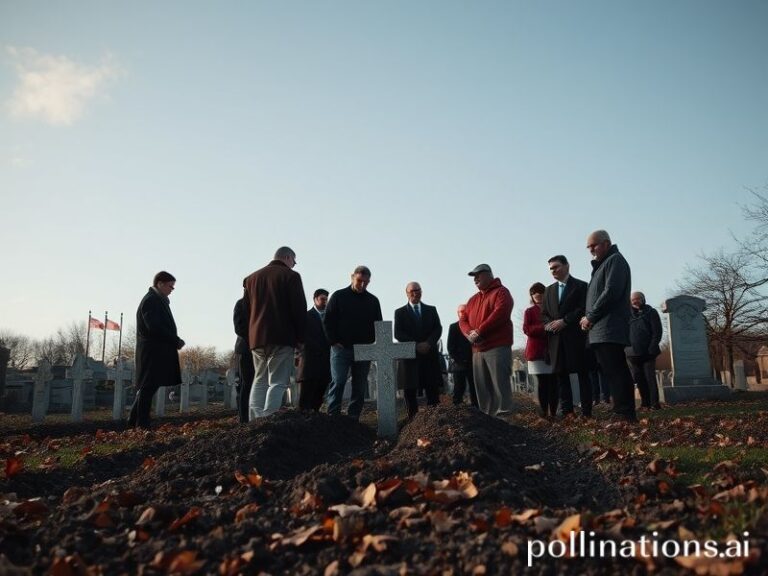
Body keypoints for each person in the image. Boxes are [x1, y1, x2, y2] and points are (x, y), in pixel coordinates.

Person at [579, 230, 637, 423]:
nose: (591, 251)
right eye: (589, 247)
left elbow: (611, 292)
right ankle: (620, 411)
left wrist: (591, 317)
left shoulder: (615, 261)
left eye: (593, 246)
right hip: (600, 329)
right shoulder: (603, 264)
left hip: (609, 327)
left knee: (616, 370)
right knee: (611, 371)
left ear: (606, 243)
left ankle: (624, 413)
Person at [243, 246, 307, 420]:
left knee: (260, 379)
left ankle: (255, 419)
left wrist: (250, 334)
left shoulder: (251, 279)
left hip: (256, 338)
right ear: (287, 257)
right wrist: (301, 338)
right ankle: (269, 417)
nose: (294, 264)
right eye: (294, 260)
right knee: (278, 381)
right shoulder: (291, 276)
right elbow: (298, 310)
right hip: (281, 336)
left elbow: (247, 311)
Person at [324, 265, 383, 420]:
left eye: (366, 282)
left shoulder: (373, 301)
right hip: (341, 348)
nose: (362, 284)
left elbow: (379, 324)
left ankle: (353, 417)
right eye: (359, 281)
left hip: (364, 349)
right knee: (339, 381)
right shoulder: (338, 296)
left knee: (360, 385)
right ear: (352, 277)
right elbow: (328, 320)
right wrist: (333, 341)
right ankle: (333, 415)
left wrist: (373, 343)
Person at [129, 271, 185, 429]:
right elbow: (154, 326)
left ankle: (134, 421)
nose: (172, 290)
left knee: (149, 386)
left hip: (157, 351)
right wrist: (175, 340)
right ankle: (142, 424)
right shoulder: (151, 300)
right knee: (147, 387)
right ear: (160, 283)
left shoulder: (158, 300)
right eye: (170, 286)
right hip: (151, 352)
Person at [458, 264, 514, 416]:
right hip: (477, 350)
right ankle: (488, 422)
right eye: (473, 276)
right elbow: (462, 320)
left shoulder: (501, 292)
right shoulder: (472, 300)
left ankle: (505, 422)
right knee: (483, 389)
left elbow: (500, 313)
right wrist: (469, 333)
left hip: (497, 347)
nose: (475, 279)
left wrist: (480, 331)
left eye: (478, 275)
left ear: (489, 274)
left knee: (500, 386)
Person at [542, 255, 592, 418]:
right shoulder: (548, 291)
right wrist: (550, 324)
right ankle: (567, 412)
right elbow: (544, 314)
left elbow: (583, 308)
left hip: (576, 338)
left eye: (556, 267)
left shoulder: (581, 286)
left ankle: (586, 412)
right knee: (561, 377)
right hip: (556, 340)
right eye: (551, 268)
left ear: (567, 266)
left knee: (583, 374)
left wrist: (565, 321)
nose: (553, 271)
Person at [394, 282, 443, 418]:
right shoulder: (400, 312)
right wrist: (416, 345)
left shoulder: (431, 310)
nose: (416, 293)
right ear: (407, 293)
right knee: (409, 392)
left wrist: (428, 343)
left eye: (418, 290)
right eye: (412, 291)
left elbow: (437, 328)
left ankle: (434, 420)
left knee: (432, 390)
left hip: (429, 355)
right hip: (410, 357)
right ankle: (412, 421)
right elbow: (398, 333)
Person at [523, 282, 558, 419]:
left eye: (540, 292)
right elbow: (527, 329)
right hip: (536, 351)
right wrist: (544, 327)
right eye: (534, 292)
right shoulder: (529, 311)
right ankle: (544, 412)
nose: (537, 295)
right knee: (542, 383)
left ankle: (554, 412)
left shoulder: (553, 309)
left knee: (554, 382)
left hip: (553, 350)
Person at [626, 291, 663, 410]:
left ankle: (654, 404)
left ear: (643, 299)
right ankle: (645, 403)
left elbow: (657, 331)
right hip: (632, 354)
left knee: (650, 378)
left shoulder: (651, 312)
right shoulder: (627, 314)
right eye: (633, 300)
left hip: (648, 352)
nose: (635, 301)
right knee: (639, 379)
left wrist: (652, 346)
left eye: (637, 299)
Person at [296, 289, 332, 411]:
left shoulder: (330, 317)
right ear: (315, 299)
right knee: (305, 397)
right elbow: (302, 337)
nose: (325, 302)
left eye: (327, 299)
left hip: (325, 363)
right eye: (322, 299)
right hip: (309, 363)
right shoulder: (306, 317)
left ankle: (315, 418)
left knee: (318, 396)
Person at [448, 305, 477, 407]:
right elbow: (450, 347)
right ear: (458, 313)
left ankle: (476, 409)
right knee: (459, 388)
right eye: (461, 311)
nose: (463, 313)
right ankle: (457, 409)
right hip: (459, 363)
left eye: (465, 311)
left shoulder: (475, 326)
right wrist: (459, 360)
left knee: (475, 389)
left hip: (473, 362)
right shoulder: (453, 327)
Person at [232, 294, 253, 423]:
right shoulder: (241, 304)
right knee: (246, 384)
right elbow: (239, 328)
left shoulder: (263, 303)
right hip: (246, 349)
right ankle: (244, 419)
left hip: (261, 350)